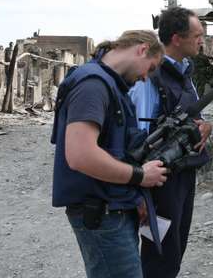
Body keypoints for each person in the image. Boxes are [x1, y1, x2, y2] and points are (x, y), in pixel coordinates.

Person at [51, 30, 169, 278]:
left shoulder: (112, 85)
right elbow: (80, 155)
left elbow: (116, 149)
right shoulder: (93, 85)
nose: (147, 77)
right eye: (151, 67)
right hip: (102, 214)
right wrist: (139, 176)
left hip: (113, 207)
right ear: (142, 49)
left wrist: (134, 198)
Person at [129, 7, 213, 278]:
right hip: (159, 180)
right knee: (159, 252)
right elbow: (140, 135)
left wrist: (205, 128)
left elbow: (193, 114)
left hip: (184, 172)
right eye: (198, 35)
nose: (203, 40)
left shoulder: (185, 71)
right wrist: (140, 190)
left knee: (175, 247)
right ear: (177, 38)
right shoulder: (149, 76)